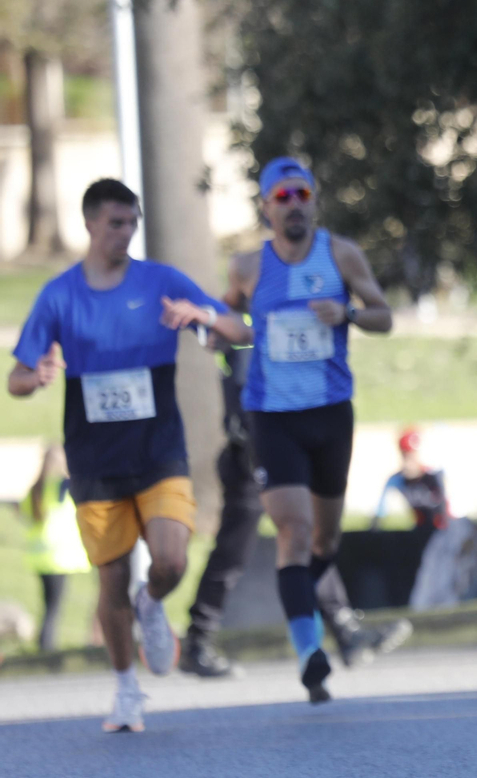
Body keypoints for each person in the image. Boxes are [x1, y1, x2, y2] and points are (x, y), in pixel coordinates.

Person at [7, 178, 250, 732]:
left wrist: (206, 317)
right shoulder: (60, 296)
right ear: (90, 223)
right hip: (94, 460)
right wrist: (36, 375)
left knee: (170, 560)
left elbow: (241, 333)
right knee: (109, 581)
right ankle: (124, 690)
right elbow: (15, 379)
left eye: (132, 222)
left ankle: (153, 601)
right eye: (116, 222)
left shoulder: (161, 282)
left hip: (159, 450)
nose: (126, 232)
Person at [220, 157, 394, 703]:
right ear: (267, 207)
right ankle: (308, 652)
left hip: (330, 412)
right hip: (272, 416)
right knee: (294, 533)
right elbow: (233, 326)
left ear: (315, 201)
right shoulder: (248, 267)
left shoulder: (341, 254)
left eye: (303, 194)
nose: (295, 205)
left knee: (325, 538)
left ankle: (313, 628)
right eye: (283, 197)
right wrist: (220, 334)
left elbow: (384, 316)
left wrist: (347, 316)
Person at [181, 343, 411, 677]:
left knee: (303, 536)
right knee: (238, 553)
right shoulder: (255, 314)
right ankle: (198, 642)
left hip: (268, 445)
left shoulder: (267, 310)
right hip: (256, 452)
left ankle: (345, 629)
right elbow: (249, 387)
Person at [20, 445, 90, 652]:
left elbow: (25, 512)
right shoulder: (63, 486)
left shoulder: (36, 488)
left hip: (39, 556)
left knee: (48, 606)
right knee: (54, 608)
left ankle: (44, 645)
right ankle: (47, 648)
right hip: (60, 556)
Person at [374, 427, 449, 532]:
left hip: (445, 531)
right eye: (405, 455)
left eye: (411, 455)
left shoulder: (433, 475)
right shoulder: (397, 479)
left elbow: (447, 510)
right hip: (420, 531)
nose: (408, 460)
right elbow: (379, 513)